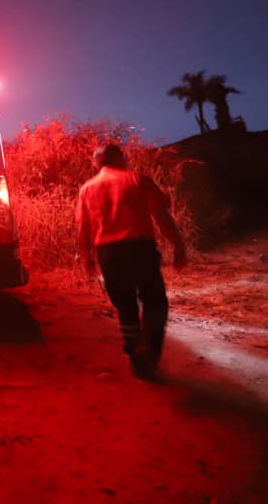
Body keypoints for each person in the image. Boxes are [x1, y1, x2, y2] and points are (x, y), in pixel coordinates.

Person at [76, 143, 187, 379]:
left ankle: (135, 352)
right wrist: (178, 244)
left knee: (125, 305)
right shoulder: (138, 179)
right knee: (155, 301)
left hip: (107, 252)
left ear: (97, 163)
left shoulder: (87, 189)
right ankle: (149, 346)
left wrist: (87, 257)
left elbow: (83, 227)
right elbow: (161, 215)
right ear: (120, 158)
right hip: (139, 249)